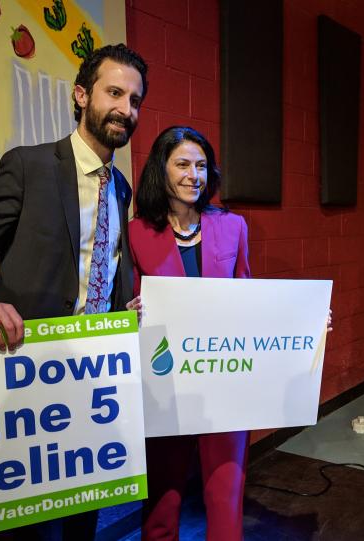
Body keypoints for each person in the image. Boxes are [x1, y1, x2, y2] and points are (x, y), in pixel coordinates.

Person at [0, 43, 148, 541]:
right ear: (81, 95)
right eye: (114, 92)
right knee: (24, 530)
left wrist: (123, 308)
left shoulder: (121, 188)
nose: (125, 109)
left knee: (82, 523)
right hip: (28, 385)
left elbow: (99, 268)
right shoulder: (29, 167)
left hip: (92, 386)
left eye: (135, 100)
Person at [128, 126, 250, 541]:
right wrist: (130, 312)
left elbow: (251, 298)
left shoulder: (233, 226)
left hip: (225, 376)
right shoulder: (137, 232)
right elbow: (125, 299)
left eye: (200, 165)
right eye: (182, 164)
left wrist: (304, 323)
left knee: (226, 492)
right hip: (166, 381)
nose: (192, 175)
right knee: (162, 496)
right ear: (161, 170)